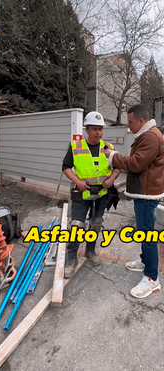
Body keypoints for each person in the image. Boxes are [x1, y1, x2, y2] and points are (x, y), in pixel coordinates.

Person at [104, 104, 164, 298]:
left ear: (141, 120)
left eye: (130, 122)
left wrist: (113, 156)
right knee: (143, 231)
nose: (129, 126)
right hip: (144, 193)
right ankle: (145, 261)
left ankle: (152, 279)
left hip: (147, 195)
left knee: (147, 235)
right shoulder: (148, 135)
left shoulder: (150, 137)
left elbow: (136, 164)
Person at [61, 111, 120, 278]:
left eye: (100, 129)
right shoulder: (75, 147)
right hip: (81, 194)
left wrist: (112, 179)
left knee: (95, 224)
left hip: (101, 194)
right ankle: (72, 258)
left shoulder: (108, 148)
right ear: (86, 129)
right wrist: (77, 182)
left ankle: (90, 251)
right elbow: (65, 167)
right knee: (77, 225)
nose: (98, 132)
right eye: (94, 129)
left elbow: (117, 167)